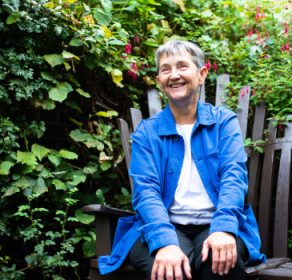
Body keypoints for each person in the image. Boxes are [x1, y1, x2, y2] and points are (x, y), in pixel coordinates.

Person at [98, 41, 266, 280]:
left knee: (220, 264)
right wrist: (164, 242)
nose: (174, 75)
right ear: (159, 82)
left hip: (214, 220)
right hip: (162, 224)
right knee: (170, 271)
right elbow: (146, 192)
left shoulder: (223, 123)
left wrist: (224, 228)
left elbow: (233, 177)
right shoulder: (147, 133)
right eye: (166, 69)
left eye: (182, 66)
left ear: (201, 74)